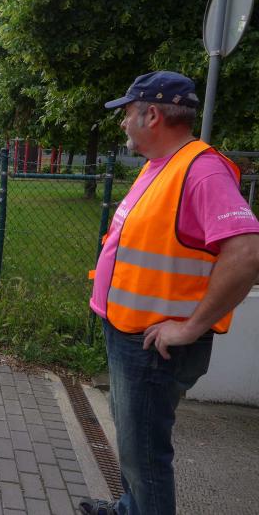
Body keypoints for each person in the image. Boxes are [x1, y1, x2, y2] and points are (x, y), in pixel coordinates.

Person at [81, 71, 259, 515]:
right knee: (133, 442)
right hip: (132, 333)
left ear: (153, 116)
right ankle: (130, 508)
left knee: (145, 455)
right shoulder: (161, 166)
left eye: (127, 113)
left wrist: (191, 327)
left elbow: (246, 252)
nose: (123, 122)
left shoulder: (202, 171)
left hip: (154, 346)